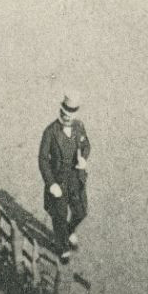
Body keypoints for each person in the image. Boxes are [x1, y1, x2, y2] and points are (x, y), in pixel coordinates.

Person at [38, 93, 91, 263]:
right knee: (59, 216)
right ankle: (62, 248)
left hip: (76, 178)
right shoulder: (50, 132)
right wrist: (51, 183)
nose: (66, 118)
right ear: (60, 111)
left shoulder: (79, 127)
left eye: (70, 116)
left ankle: (70, 231)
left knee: (81, 211)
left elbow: (86, 145)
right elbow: (43, 159)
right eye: (64, 115)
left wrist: (83, 158)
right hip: (58, 181)